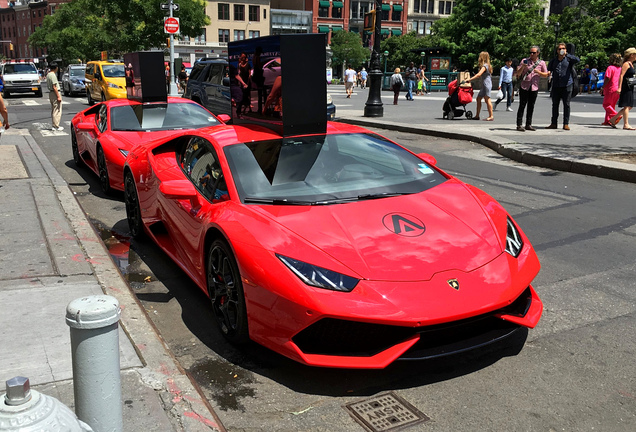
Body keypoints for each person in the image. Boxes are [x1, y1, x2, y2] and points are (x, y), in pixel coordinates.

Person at [546, 43, 580, 130]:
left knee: (567, 104)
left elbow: (578, 60)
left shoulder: (569, 59)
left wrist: (567, 54)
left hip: (567, 85)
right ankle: (554, 123)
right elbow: (549, 70)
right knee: (555, 105)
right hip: (556, 85)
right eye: (560, 49)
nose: (561, 50)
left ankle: (566, 123)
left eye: (563, 48)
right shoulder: (553, 61)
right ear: (557, 51)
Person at [515, 46, 549, 132]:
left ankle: (528, 124)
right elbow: (518, 74)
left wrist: (538, 72)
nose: (531, 54)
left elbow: (546, 74)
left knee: (531, 106)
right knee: (522, 105)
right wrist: (523, 67)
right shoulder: (524, 60)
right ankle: (519, 124)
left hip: (534, 87)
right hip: (524, 86)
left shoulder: (541, 63)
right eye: (530, 52)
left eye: (533, 53)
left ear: (538, 53)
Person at [609, 47, 636, 130]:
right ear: (631, 55)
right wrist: (619, 87)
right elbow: (621, 76)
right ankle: (626, 124)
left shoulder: (631, 64)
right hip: (625, 87)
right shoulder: (626, 64)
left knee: (629, 106)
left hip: (630, 87)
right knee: (627, 105)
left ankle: (613, 119)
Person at [466, 51, 494, 121]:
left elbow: (479, 74)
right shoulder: (487, 65)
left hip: (486, 84)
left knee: (487, 99)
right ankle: (477, 115)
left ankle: (491, 116)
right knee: (478, 99)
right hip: (485, 84)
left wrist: (470, 79)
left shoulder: (485, 66)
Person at [601, 53, 623, 126]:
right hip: (618, 89)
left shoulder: (610, 67)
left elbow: (608, 77)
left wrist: (603, 87)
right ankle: (607, 121)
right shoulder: (620, 68)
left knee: (606, 105)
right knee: (611, 105)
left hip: (610, 88)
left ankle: (616, 115)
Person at [46, 62, 63, 131]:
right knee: (57, 110)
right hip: (55, 93)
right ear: (56, 68)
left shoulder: (48, 74)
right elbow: (54, 87)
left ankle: (54, 125)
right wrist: (58, 96)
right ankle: (56, 125)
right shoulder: (53, 75)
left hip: (51, 93)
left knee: (54, 109)